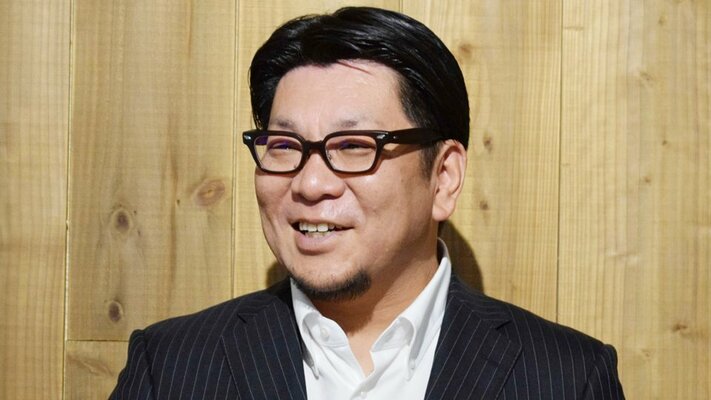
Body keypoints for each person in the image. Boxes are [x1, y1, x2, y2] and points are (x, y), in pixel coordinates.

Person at [111, 7, 624, 399]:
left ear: (444, 177)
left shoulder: (567, 377)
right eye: (285, 146)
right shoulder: (170, 367)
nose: (311, 184)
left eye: (354, 146)